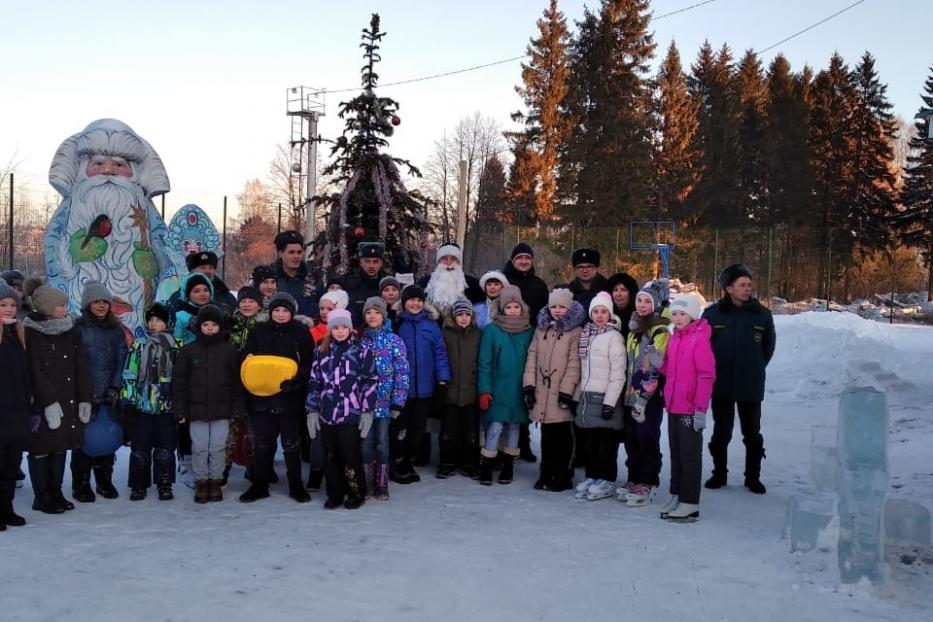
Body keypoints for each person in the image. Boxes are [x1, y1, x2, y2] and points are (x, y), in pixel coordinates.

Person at [44, 119, 188, 333]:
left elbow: (164, 248)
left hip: (136, 304)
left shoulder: (144, 210)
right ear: (83, 169)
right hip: (80, 299)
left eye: (120, 165)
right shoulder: (72, 207)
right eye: (99, 164)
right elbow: (54, 248)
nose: (109, 171)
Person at [702, 263, 776, 495]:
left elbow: (768, 348)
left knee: (752, 433)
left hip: (750, 384)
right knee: (721, 432)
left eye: (749, 285)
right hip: (721, 383)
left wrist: (752, 367)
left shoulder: (762, 315)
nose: (747, 289)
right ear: (728, 288)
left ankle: (753, 477)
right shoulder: (712, 314)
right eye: (742, 285)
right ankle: (719, 474)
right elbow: (704, 347)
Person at [23, 280, 93, 514]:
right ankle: (42, 496)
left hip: (69, 398)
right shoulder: (32, 332)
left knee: (62, 445)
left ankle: (56, 491)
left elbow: (81, 365)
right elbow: (34, 370)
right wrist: (48, 401)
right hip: (43, 403)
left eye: (65, 305)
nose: (65, 309)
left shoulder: (69, 329)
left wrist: (85, 397)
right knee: (43, 446)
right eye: (60, 306)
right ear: (47, 308)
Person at [240, 292, 315, 503]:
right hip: (261, 397)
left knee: (292, 444)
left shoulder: (301, 332)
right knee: (263, 444)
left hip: (290, 398)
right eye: (277, 310)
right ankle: (259, 484)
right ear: (270, 312)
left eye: (285, 310)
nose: (281, 315)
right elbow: (246, 356)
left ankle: (296, 484)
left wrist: (298, 381)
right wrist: (247, 362)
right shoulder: (259, 330)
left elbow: (309, 362)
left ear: (292, 312)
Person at [306, 309, 378, 509]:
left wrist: (366, 410)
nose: (339, 331)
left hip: (350, 413)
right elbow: (315, 382)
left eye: (343, 327)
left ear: (350, 328)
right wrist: (312, 410)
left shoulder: (361, 351)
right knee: (331, 455)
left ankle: (356, 492)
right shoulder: (321, 351)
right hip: (327, 414)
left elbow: (370, 381)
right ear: (330, 329)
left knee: (350, 455)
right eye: (335, 327)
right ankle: (335, 493)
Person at [174, 305, 246, 503]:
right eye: (205, 324)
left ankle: (215, 480)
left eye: (214, 324)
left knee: (217, 447)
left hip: (222, 410)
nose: (210, 328)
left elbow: (237, 383)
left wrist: (237, 409)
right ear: (199, 327)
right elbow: (179, 382)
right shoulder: (189, 351)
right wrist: (179, 408)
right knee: (199, 447)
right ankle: (201, 481)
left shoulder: (229, 351)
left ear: (220, 326)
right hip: (196, 410)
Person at [659, 294, 715, 523]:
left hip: (691, 408)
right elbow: (670, 371)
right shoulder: (675, 339)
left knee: (690, 455)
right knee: (676, 453)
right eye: (675, 314)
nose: (678, 318)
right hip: (673, 406)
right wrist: (658, 362)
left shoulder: (699, 339)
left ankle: (690, 502)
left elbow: (706, 374)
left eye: (683, 313)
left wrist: (700, 409)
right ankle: (677, 494)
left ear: (692, 314)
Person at [523, 288, 585, 492]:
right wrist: (529, 385)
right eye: (554, 306)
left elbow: (575, 363)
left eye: (562, 307)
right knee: (547, 434)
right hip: (542, 390)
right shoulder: (541, 330)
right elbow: (532, 357)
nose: (558, 311)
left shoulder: (575, 331)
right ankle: (546, 471)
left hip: (561, 392)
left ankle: (563, 473)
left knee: (563, 435)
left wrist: (567, 390)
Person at [71, 281, 128, 502]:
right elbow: (75, 363)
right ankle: (81, 484)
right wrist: (83, 392)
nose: (102, 305)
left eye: (105, 301)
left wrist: (115, 386)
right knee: (83, 442)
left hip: (109, 394)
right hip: (85, 394)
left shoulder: (115, 329)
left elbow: (122, 358)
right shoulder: (78, 328)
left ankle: (104, 481)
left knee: (107, 438)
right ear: (88, 304)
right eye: (97, 301)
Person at [121, 303, 182, 501]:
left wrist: (180, 404)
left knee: (165, 448)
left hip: (167, 407)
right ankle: (139, 485)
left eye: (159, 320)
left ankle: (164, 483)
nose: (154, 324)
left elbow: (183, 378)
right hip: (143, 407)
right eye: (151, 320)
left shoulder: (177, 346)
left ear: (168, 322)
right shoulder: (139, 345)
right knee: (140, 448)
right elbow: (129, 373)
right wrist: (128, 400)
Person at [390, 285, 450, 484]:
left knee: (418, 430)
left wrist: (442, 381)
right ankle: (397, 463)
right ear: (404, 302)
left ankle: (408, 461)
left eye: (419, 300)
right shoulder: (397, 324)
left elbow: (440, 354)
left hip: (424, 389)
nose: (415, 304)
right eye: (411, 300)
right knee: (400, 428)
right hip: (402, 390)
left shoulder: (432, 325)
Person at [476, 286, 534, 486]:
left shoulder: (528, 331)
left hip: (519, 389)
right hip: (498, 388)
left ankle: (508, 466)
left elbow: (533, 361)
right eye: (508, 307)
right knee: (495, 427)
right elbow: (484, 362)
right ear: (502, 309)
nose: (513, 311)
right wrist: (484, 389)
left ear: (522, 308)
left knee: (514, 427)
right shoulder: (492, 330)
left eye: (516, 306)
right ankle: (487, 465)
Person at [620, 280, 670, 507]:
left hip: (649, 397)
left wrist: (643, 397)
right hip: (630, 394)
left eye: (647, 301)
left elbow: (653, 366)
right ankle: (634, 477)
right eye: (639, 300)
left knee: (647, 436)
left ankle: (648, 480)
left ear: (656, 304)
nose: (641, 305)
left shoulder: (659, 331)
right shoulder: (634, 330)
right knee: (631, 437)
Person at [572, 292, 626, 501]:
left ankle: (607, 479)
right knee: (590, 443)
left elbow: (618, 373)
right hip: (587, 397)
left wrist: (610, 402)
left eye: (604, 311)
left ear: (610, 313)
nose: (600, 315)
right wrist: (576, 397)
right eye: (596, 311)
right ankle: (592, 476)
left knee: (606, 443)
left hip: (605, 398)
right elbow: (583, 370)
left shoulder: (614, 336)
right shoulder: (587, 334)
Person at [358, 297, 409, 499]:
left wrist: (398, 400)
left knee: (382, 440)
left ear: (383, 315)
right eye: (369, 312)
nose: (372, 316)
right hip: (364, 404)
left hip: (385, 402)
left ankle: (382, 483)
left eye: (377, 312)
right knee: (366, 442)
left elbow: (402, 372)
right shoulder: (360, 339)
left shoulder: (393, 340)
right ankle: (368, 482)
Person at [170, 271, 215, 488]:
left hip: (211, 374)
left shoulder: (216, 313)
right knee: (186, 419)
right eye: (196, 290)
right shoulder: (179, 315)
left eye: (206, 289)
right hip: (188, 372)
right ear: (188, 294)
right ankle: (186, 461)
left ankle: (208, 461)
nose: (202, 294)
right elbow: (174, 342)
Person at [224, 287, 264, 485]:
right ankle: (222, 469)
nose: (247, 304)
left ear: (260, 304)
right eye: (243, 301)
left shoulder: (265, 325)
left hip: (258, 383)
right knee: (231, 427)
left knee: (254, 430)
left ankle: (255, 468)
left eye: (251, 301)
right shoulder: (230, 325)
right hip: (233, 383)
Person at [0, 278, 32, 528]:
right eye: (3, 304)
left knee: (11, 463)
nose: (10, 309)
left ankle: (6, 508)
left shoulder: (18, 333)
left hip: (16, 411)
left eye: (12, 304)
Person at [439, 297, 481, 479]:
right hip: (450, 391)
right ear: (453, 317)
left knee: (470, 432)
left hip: (471, 391)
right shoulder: (445, 333)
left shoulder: (478, 334)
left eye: (467, 314)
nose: (463, 318)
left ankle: (469, 463)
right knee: (449, 431)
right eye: (460, 314)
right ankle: (447, 463)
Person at [419, 242, 483, 314]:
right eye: (444, 258)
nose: (449, 263)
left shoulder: (473, 283)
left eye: (453, 258)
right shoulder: (424, 283)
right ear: (438, 261)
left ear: (459, 262)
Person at [270, 230, 318, 317]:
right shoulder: (268, 279)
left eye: (299, 252)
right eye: (291, 252)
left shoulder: (313, 280)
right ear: (280, 253)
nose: (296, 256)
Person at [343, 242, 390, 327]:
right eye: (367, 261)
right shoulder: (349, 284)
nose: (371, 266)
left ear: (381, 264)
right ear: (361, 263)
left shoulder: (388, 286)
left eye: (375, 262)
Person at [502, 243, 549, 321]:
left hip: (532, 330)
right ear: (512, 260)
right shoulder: (502, 281)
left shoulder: (540, 284)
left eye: (527, 258)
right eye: (519, 258)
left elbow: (545, 309)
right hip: (505, 329)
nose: (524, 261)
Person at [606, 273, 639, 340]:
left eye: (623, 290)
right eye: (615, 290)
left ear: (631, 293)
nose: (619, 294)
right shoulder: (605, 314)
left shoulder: (638, 316)